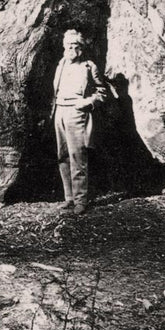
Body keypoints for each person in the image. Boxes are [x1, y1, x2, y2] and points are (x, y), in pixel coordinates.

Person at [52, 29, 109, 215]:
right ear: (64, 46)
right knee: (62, 156)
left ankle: (80, 200)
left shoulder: (88, 67)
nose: (73, 49)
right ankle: (69, 198)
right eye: (69, 45)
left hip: (77, 113)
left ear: (81, 48)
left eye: (77, 46)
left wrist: (87, 102)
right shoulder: (60, 64)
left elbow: (102, 92)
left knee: (78, 156)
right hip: (59, 111)